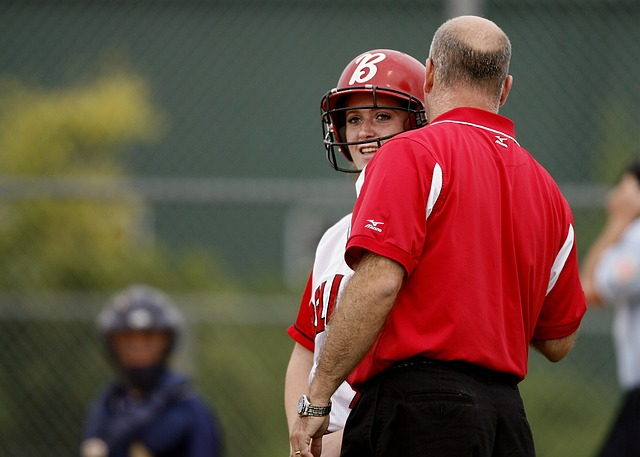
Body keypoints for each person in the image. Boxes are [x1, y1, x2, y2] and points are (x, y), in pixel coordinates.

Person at [289, 15, 586, 457]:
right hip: (506, 416)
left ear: (430, 75)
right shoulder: (548, 189)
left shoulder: (411, 153)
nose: (366, 132)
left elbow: (379, 282)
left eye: (382, 116)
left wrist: (317, 397)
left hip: (421, 406)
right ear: (504, 88)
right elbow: (558, 340)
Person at [284, 49, 427, 457]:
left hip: (391, 430)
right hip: (326, 429)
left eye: (381, 116)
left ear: (415, 122)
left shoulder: (429, 222)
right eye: (353, 118)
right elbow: (306, 347)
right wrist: (300, 439)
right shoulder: (334, 237)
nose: (364, 131)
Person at [80, 284, 222, 457]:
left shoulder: (188, 408)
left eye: (149, 340)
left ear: (167, 343)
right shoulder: (109, 404)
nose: (139, 350)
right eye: (127, 340)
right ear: (112, 345)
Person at [580, 158, 640, 457]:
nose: (612, 197)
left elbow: (589, 289)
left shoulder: (637, 239)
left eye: (623, 187)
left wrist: (617, 222)